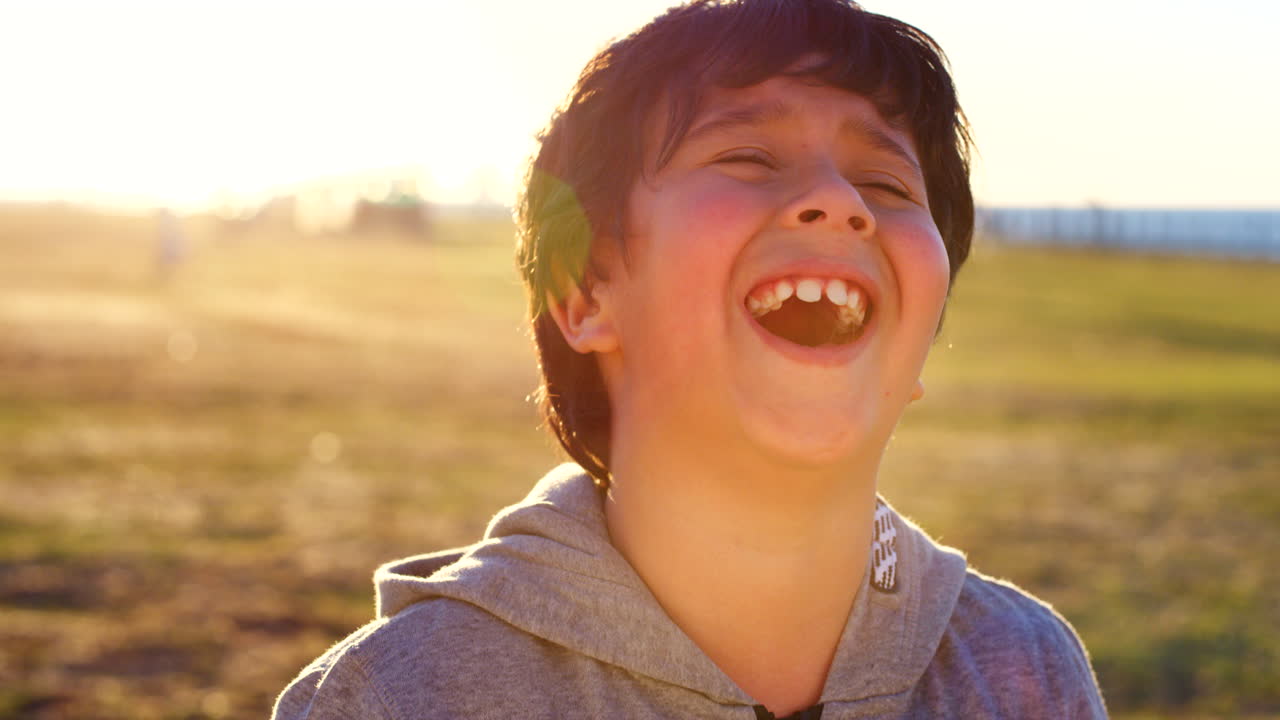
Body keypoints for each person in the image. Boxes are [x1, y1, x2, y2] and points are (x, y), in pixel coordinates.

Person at [273, 1, 1107, 717]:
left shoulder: (1023, 672)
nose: (840, 203)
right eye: (748, 158)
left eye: (887, 185)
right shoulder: (407, 697)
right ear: (585, 295)